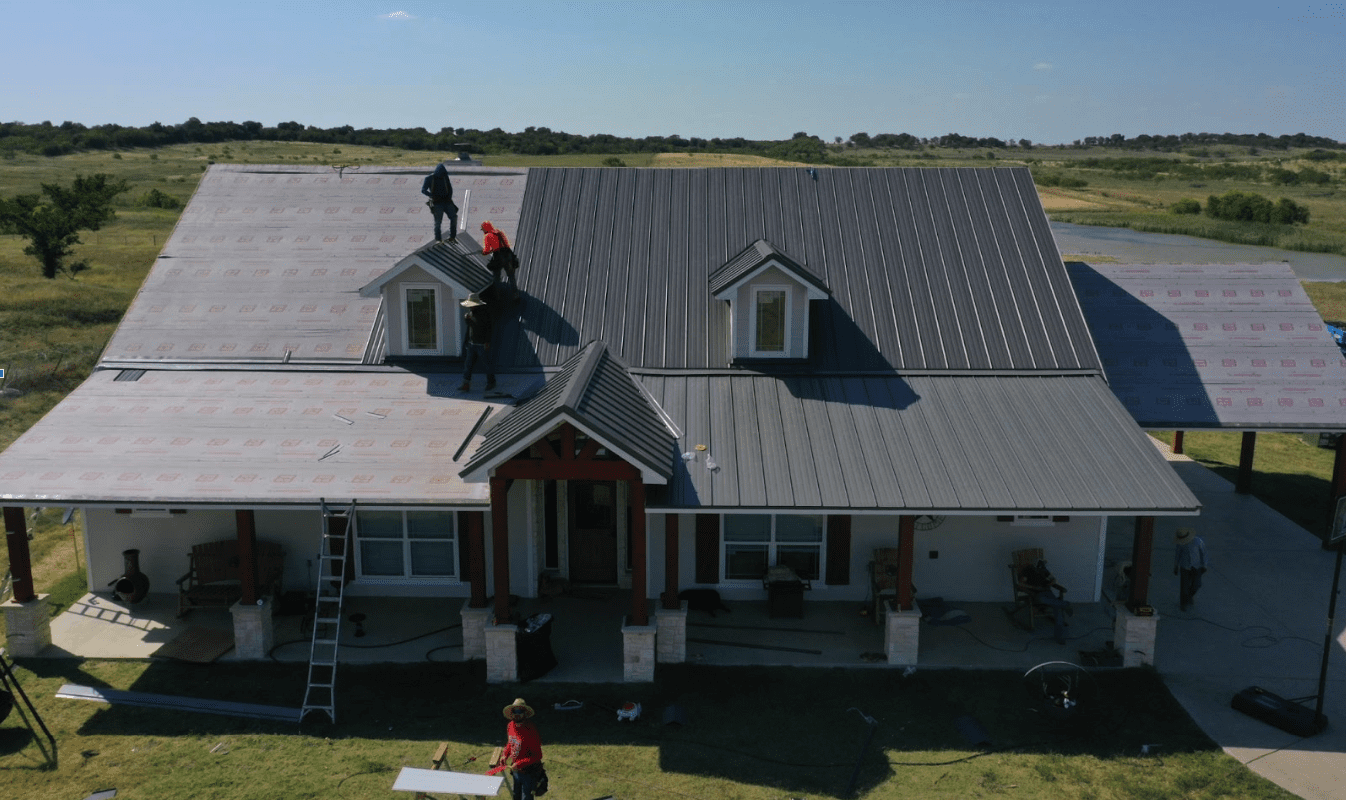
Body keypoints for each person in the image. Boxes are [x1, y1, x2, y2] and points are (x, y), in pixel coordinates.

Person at [496, 698, 545, 800]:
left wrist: (520, 763)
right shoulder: (510, 726)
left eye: (520, 711)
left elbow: (538, 756)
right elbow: (510, 743)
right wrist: (505, 754)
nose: (517, 714)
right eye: (515, 711)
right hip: (516, 771)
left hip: (528, 772)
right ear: (511, 712)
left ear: (525, 713)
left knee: (526, 797)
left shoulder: (531, 730)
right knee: (516, 796)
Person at [1018, 558, 1071, 644]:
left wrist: (1051, 582)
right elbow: (1021, 584)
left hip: (1048, 593)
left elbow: (1053, 579)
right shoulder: (1027, 571)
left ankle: (1059, 636)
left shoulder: (1044, 570)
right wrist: (1035, 588)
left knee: (1057, 609)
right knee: (1045, 600)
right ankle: (1065, 604)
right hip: (1037, 594)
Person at [459, 292, 494, 392]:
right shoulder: (471, 312)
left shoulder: (483, 314)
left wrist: (487, 341)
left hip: (481, 343)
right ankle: (466, 384)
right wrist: (468, 320)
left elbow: (486, 328)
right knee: (468, 364)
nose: (470, 307)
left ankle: (491, 382)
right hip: (472, 343)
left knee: (486, 365)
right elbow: (471, 327)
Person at [1174, 527, 1209, 611]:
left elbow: (1203, 553)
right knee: (1184, 587)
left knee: (1196, 585)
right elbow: (1177, 554)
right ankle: (1183, 603)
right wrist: (1176, 566)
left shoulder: (1198, 541)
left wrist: (1204, 565)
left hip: (1196, 566)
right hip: (1185, 566)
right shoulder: (1180, 544)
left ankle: (1189, 596)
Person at [481, 221, 519, 298]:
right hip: (508, 256)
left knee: (496, 277)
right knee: (511, 276)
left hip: (498, 258)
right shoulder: (499, 232)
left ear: (486, 228)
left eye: (483, 229)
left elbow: (487, 250)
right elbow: (505, 244)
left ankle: (497, 295)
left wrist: (483, 252)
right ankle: (515, 294)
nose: (483, 231)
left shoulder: (488, 236)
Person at [421, 163, 458, 242]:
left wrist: (449, 198)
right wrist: (432, 195)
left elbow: (449, 188)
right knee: (438, 222)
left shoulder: (445, 177)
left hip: (447, 201)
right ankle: (438, 239)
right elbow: (423, 190)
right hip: (437, 203)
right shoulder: (429, 178)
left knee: (454, 217)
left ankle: (452, 237)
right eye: (441, 174)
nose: (442, 176)